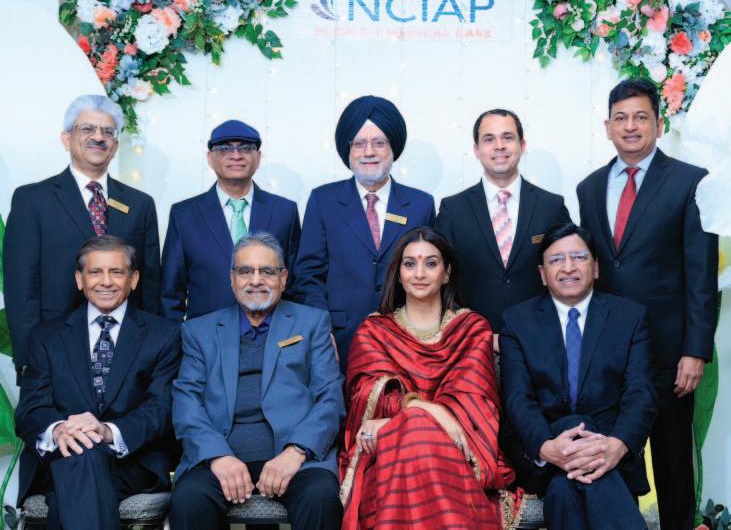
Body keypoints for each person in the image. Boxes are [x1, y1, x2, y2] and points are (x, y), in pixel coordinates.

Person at [576, 78, 718, 530]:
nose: (630, 126)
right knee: (615, 458)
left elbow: (701, 275)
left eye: (640, 117)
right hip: (609, 351)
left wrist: (695, 350)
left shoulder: (690, 182)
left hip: (669, 351)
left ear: (659, 123)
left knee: (672, 458)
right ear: (607, 127)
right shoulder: (588, 188)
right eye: (621, 118)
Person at [340, 226, 519, 529]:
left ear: (447, 273)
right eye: (410, 264)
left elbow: (474, 402)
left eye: (431, 263)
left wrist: (394, 420)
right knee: (415, 428)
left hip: (455, 452)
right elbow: (363, 397)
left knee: (416, 431)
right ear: (398, 274)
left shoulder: (471, 328)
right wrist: (425, 408)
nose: (419, 273)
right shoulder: (374, 331)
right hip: (386, 457)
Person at [169, 231, 344, 530]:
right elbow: (187, 403)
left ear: (284, 278)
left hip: (297, 459)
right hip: (219, 456)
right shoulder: (199, 331)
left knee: (320, 497)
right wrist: (218, 456)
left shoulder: (312, 323)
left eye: (267, 271)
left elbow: (330, 399)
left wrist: (296, 452)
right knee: (189, 500)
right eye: (245, 271)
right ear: (232, 278)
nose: (256, 280)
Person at [14, 235, 180, 530]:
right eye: (95, 272)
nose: (106, 281)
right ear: (80, 280)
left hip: (131, 462)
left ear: (134, 279)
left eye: (116, 272)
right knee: (80, 458)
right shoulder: (46, 337)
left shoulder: (164, 335)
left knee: (70, 491)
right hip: (60, 458)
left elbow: (161, 408)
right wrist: (60, 429)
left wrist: (106, 432)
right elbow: (30, 410)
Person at [500, 222, 658, 530]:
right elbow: (518, 397)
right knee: (572, 428)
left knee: (564, 490)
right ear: (542, 273)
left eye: (579, 257)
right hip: (546, 457)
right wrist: (546, 447)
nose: (568, 267)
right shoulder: (517, 320)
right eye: (556, 260)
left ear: (596, 268)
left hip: (612, 456)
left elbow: (641, 392)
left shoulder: (630, 316)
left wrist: (617, 445)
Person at [3, 94, 161, 378]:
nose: (98, 137)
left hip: (127, 355)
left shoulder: (140, 204)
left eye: (107, 132)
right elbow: (21, 288)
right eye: (87, 128)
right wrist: (27, 359)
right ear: (66, 139)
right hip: (52, 352)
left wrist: (154, 355)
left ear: (115, 145)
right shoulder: (32, 200)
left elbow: (149, 286)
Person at [292, 95, 436, 368]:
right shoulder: (323, 201)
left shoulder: (421, 204)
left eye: (379, 143)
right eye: (359, 143)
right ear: (348, 150)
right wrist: (320, 331)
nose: (369, 152)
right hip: (338, 339)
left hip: (407, 339)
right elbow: (308, 275)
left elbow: (432, 273)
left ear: (393, 148)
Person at [436, 109, 570, 338]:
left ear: (522, 145)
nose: (499, 146)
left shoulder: (551, 206)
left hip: (540, 338)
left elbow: (569, 271)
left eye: (508, 137)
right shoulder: (453, 209)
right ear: (477, 150)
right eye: (489, 139)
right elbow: (439, 278)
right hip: (470, 341)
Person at [161, 119, 300, 322]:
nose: (236, 156)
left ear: (258, 157)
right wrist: (176, 339)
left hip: (272, 332)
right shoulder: (184, 215)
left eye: (245, 148)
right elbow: (170, 292)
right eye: (225, 149)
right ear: (210, 158)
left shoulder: (284, 211)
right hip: (205, 335)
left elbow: (295, 284)